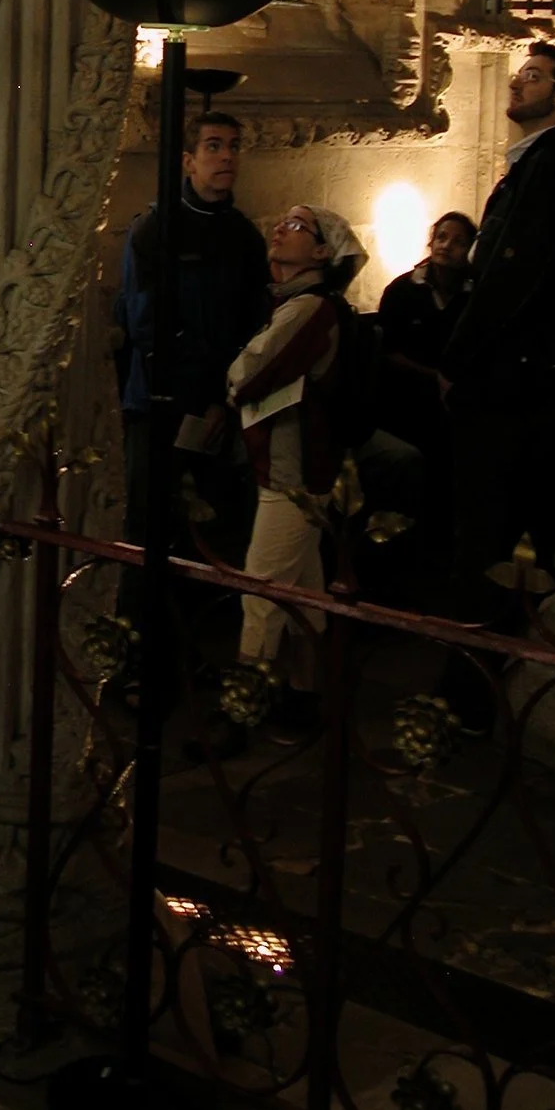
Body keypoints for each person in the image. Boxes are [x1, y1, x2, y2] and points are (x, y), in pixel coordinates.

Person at [187, 205, 368, 759]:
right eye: (282, 220)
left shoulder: (309, 310)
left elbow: (250, 374)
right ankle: (306, 696)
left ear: (321, 253)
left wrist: (237, 375)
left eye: (297, 225)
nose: (280, 228)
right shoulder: (289, 305)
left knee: (260, 594)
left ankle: (238, 713)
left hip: (292, 476)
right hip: (296, 470)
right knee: (307, 597)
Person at [437, 42, 555, 643]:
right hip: (510, 381)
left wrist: (456, 360)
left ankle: (474, 677)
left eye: (532, 76)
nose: (515, 83)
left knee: (492, 535)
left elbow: (514, 277)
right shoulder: (534, 163)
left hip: (513, 386)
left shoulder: (553, 164)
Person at [111, 111, 270, 585]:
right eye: (214, 146)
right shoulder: (154, 230)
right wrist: (198, 398)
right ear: (188, 160)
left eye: (234, 145)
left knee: (210, 529)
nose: (227, 156)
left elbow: (250, 326)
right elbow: (148, 324)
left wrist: (222, 401)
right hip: (158, 405)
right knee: (149, 527)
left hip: (219, 407)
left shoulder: (245, 237)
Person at [376, 211, 476, 584]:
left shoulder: (474, 296)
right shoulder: (403, 291)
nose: (447, 246)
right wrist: (432, 376)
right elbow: (387, 351)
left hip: (455, 413)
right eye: (442, 237)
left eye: (458, 240)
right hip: (406, 408)